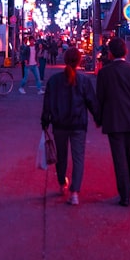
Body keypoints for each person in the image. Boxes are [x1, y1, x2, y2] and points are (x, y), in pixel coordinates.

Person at [94, 37, 130, 207]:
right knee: (128, 155)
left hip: (113, 119)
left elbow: (100, 98)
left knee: (119, 158)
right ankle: (128, 190)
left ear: (110, 54)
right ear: (125, 51)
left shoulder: (105, 72)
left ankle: (124, 193)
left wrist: (98, 119)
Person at [41, 46, 98, 206]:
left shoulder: (54, 81)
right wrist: (98, 118)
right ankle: (74, 193)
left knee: (61, 156)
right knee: (78, 157)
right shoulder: (84, 81)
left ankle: (61, 183)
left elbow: (48, 104)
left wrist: (45, 121)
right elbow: (92, 102)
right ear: (79, 61)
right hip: (78, 124)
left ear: (65, 60)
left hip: (59, 123)